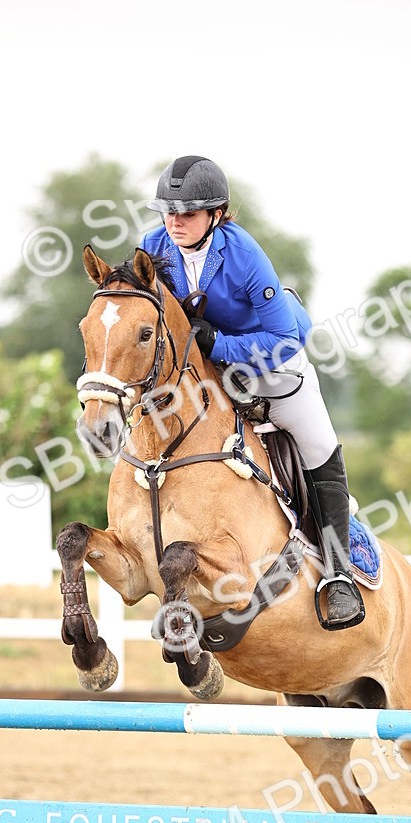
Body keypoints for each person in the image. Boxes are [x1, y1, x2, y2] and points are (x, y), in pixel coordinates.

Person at [141, 155, 365, 631]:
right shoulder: (153, 245)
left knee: (319, 444)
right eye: (168, 211)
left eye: (189, 212)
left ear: (216, 215)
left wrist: (218, 343)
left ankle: (338, 573)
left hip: (270, 365)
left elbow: (285, 339)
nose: (175, 221)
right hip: (206, 377)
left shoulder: (244, 255)